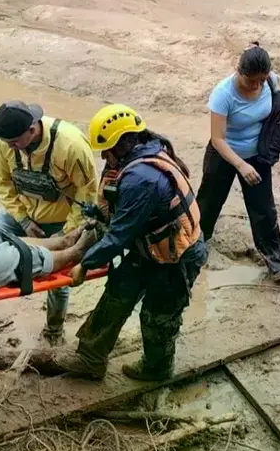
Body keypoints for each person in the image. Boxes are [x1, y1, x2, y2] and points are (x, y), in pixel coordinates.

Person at [49, 104, 207, 381]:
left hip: (176, 258)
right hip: (146, 246)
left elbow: (119, 235)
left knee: (157, 319)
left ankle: (156, 369)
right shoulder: (140, 154)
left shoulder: (142, 179)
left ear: (122, 144)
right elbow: (121, 218)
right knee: (116, 295)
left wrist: (85, 264)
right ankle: (90, 358)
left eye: (105, 150)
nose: (103, 157)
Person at [0, 101, 99, 344]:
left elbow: (86, 194)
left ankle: (53, 331)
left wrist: (66, 236)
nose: (9, 146)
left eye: (15, 142)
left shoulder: (71, 146)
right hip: (23, 214)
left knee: (58, 275)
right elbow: (2, 183)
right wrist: (24, 220)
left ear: (32, 129)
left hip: (63, 219)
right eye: (6, 142)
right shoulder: (4, 142)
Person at [196, 43, 280, 283]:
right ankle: (195, 247)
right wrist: (241, 165)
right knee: (208, 202)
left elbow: (276, 107)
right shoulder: (223, 94)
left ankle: (275, 261)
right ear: (238, 71)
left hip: (256, 155)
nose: (256, 86)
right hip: (224, 153)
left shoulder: (270, 81)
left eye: (261, 80)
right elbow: (217, 139)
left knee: (263, 209)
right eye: (251, 81)